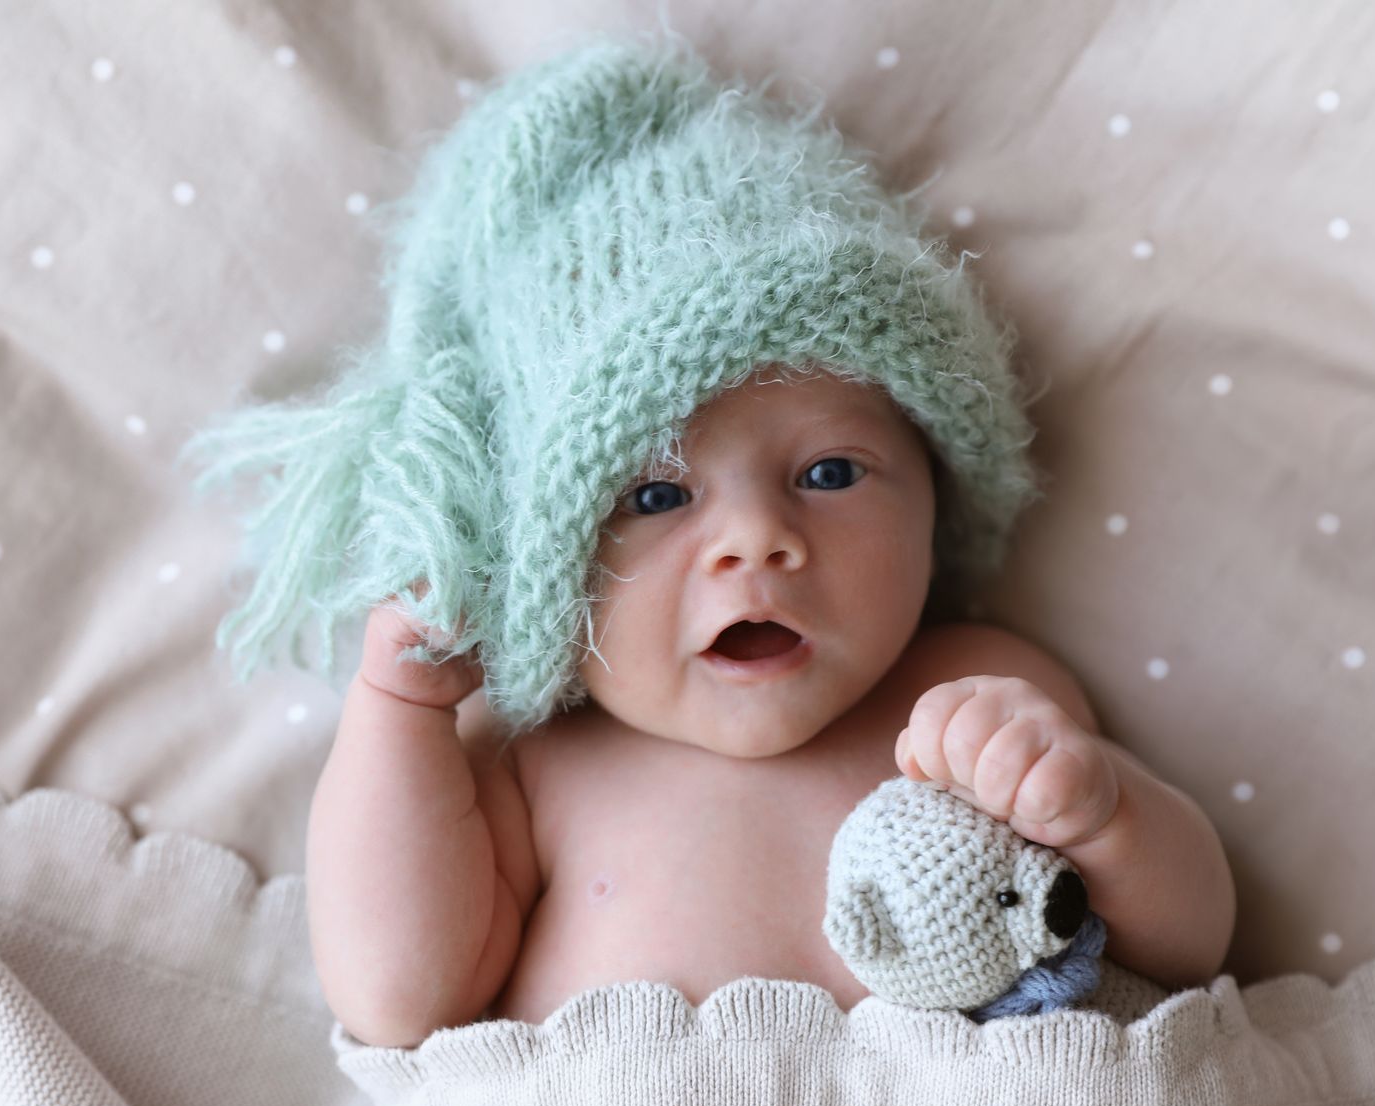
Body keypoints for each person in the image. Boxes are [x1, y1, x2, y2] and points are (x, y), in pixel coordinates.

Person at [179, 36, 1234, 1050]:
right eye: (654, 492)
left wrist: (1106, 813)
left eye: (828, 473)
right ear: (550, 561)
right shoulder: (535, 763)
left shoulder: (977, 691)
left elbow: (1188, 946)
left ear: (936, 490)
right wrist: (399, 716)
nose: (757, 540)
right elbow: (395, 998)